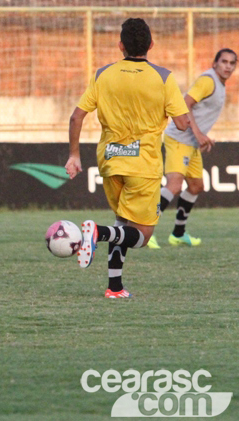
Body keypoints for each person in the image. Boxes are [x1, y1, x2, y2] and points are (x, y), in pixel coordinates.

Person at [65, 18, 190, 299]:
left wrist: (74, 155)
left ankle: (115, 287)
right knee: (142, 236)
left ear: (121, 45)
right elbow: (182, 123)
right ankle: (96, 231)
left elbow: (76, 116)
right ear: (151, 45)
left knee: (121, 223)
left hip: (109, 161)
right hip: (143, 165)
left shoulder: (102, 74)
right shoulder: (163, 77)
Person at [147, 48, 237, 249]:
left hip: (192, 143)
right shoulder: (208, 80)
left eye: (232, 63)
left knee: (196, 186)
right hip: (180, 138)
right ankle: (145, 230)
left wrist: (200, 136)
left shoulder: (220, 84)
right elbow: (184, 103)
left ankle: (178, 234)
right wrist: (197, 132)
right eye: (224, 62)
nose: (228, 66)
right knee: (174, 185)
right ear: (215, 63)